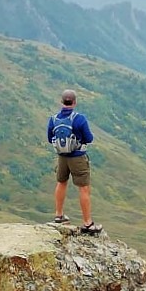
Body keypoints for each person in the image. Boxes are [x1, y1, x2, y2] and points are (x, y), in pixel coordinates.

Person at [47, 89, 103, 233]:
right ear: (74, 102)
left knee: (61, 183)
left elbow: (50, 138)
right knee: (83, 188)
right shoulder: (79, 119)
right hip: (78, 157)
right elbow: (89, 138)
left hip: (62, 157)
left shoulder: (53, 119)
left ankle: (59, 215)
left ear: (62, 102)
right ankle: (88, 223)